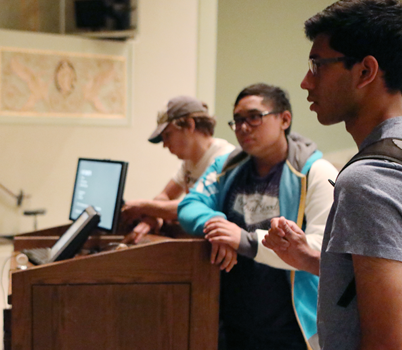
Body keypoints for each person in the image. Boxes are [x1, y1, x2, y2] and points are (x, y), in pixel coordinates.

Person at [264, 1, 402, 349]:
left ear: (366, 71)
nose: (306, 81)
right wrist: (309, 259)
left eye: (318, 65)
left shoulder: (367, 182)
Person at [178, 83, 337, 350]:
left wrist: (244, 239)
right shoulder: (227, 165)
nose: (243, 127)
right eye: (237, 120)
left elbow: (323, 252)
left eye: (254, 117)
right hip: (231, 323)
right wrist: (217, 225)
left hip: (294, 329)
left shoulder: (316, 173)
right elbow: (190, 205)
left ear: (284, 119)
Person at [122, 95, 235, 243]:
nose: (165, 144)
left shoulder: (223, 158)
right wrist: (152, 218)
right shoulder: (189, 160)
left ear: (189, 125)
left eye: (168, 135)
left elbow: (193, 206)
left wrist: (143, 206)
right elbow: (164, 196)